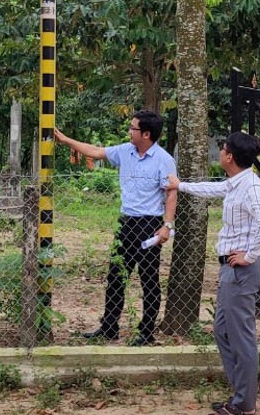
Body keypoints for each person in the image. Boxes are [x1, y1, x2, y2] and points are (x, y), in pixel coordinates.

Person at [166, 131, 260, 415]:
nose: (220, 152)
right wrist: (182, 185)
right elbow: (212, 190)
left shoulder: (251, 186)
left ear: (230, 156)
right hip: (232, 269)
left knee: (241, 337)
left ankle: (244, 403)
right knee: (224, 331)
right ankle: (240, 394)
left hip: (241, 270)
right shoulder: (236, 183)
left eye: (223, 148)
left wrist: (249, 255)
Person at [55, 110, 177, 346]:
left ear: (146, 134)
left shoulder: (164, 159)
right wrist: (66, 140)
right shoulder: (125, 151)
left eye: (133, 128)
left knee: (149, 279)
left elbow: (171, 194)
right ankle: (109, 326)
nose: (129, 131)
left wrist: (166, 226)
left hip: (149, 224)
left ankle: (146, 331)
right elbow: (96, 152)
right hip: (126, 222)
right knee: (116, 277)